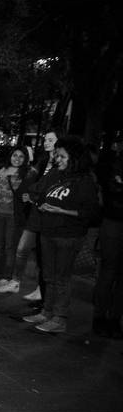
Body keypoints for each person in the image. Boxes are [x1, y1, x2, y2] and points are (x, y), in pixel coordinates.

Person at [22, 139, 100, 334]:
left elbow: (90, 213)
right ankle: (46, 311)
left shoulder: (85, 181)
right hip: (48, 232)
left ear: (75, 158)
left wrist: (61, 210)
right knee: (48, 275)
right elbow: (38, 190)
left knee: (61, 277)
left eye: (63, 156)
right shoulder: (56, 174)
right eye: (57, 155)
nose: (58, 159)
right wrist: (36, 199)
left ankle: (60, 318)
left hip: (68, 235)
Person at [8, 131, 60, 302]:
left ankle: (41, 289)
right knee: (22, 249)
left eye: (50, 140)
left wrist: (33, 196)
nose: (46, 142)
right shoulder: (43, 161)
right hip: (34, 213)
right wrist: (28, 194)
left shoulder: (61, 163)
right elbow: (31, 182)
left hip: (48, 214)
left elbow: (53, 189)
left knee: (42, 255)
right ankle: (15, 282)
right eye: (45, 139)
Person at [0, 147, 31, 292]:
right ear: (10, 156)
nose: (17, 158)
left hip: (13, 215)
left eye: (21, 157)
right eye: (14, 155)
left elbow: (24, 195)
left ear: (25, 160)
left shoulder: (25, 174)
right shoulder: (2, 171)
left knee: (10, 246)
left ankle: (6, 276)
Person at [93, 132, 123, 338]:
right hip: (114, 221)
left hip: (114, 220)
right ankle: (101, 318)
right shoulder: (113, 163)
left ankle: (113, 319)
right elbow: (112, 189)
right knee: (110, 269)